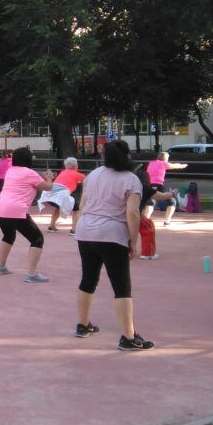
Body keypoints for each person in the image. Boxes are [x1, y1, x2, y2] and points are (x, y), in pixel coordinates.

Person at [73, 140, 155, 350]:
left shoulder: (93, 175)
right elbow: (133, 213)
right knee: (121, 287)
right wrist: (133, 241)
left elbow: (82, 204)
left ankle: (83, 325)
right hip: (112, 234)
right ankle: (128, 337)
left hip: (85, 231)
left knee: (88, 279)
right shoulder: (131, 180)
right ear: (127, 156)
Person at [0, 147, 55, 282]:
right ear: (27, 159)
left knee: (8, 235)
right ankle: (32, 274)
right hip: (15, 210)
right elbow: (48, 187)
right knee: (37, 239)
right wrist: (49, 178)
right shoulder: (29, 173)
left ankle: (0, 267)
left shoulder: (10, 170)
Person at [135, 170, 174, 260]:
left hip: (120, 214)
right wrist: (173, 193)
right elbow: (163, 196)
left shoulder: (128, 186)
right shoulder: (145, 188)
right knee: (148, 228)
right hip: (135, 214)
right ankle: (148, 253)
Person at [143, 152, 187, 225]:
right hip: (158, 185)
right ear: (165, 159)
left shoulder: (151, 163)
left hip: (149, 185)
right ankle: (167, 221)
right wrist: (183, 165)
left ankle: (145, 221)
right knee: (172, 202)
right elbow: (174, 166)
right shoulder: (163, 163)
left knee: (151, 202)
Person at [45, 157, 85, 234]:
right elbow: (88, 182)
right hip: (62, 196)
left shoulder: (62, 172)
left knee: (58, 206)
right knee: (77, 209)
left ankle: (51, 226)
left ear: (65, 165)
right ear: (76, 166)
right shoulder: (79, 175)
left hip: (52, 196)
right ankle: (74, 229)